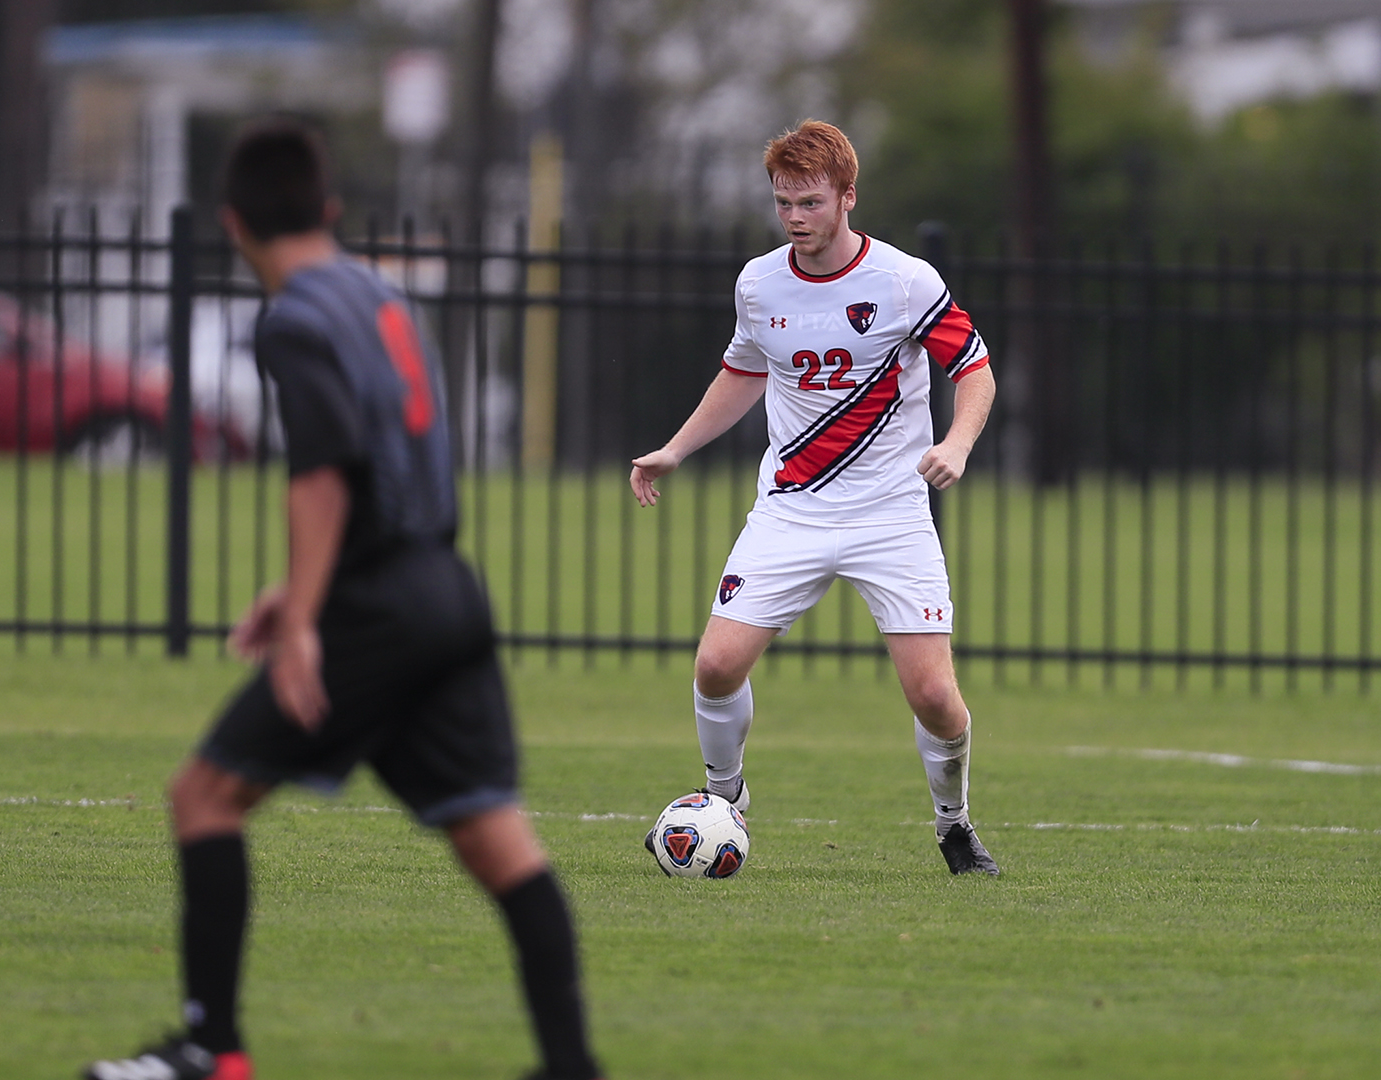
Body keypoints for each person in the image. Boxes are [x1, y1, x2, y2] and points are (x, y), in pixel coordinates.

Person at [84, 121, 603, 1080]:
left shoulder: (293, 319)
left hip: (378, 610)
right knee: (498, 841)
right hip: (445, 588)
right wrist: (299, 590)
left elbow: (323, 474)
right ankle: (571, 1067)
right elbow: (401, 465)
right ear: (327, 208)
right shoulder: (382, 298)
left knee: (204, 796)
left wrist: (304, 623)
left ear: (234, 224)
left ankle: (210, 1050)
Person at [629, 119, 1000, 876]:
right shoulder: (759, 283)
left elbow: (975, 370)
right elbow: (743, 372)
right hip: (791, 509)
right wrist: (675, 448)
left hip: (891, 515)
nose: (795, 218)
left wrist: (957, 444)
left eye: (810, 202)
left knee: (934, 696)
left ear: (847, 197)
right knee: (716, 666)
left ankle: (954, 824)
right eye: (783, 203)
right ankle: (724, 798)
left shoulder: (904, 281)